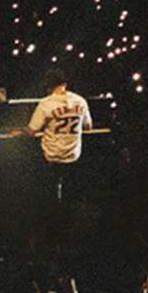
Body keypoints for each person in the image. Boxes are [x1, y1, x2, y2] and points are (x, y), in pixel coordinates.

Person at [25, 68, 93, 202]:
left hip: (52, 157)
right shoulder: (81, 101)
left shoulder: (45, 104)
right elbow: (88, 126)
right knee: (70, 192)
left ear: (48, 87)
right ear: (65, 84)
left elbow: (31, 131)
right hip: (73, 156)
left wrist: (19, 131)